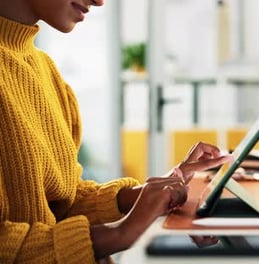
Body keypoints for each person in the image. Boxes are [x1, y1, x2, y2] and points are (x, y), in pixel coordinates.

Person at [0, 0, 232, 263]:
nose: (99, 1)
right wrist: (119, 233)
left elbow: (64, 203)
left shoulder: (45, 70)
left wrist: (147, 194)